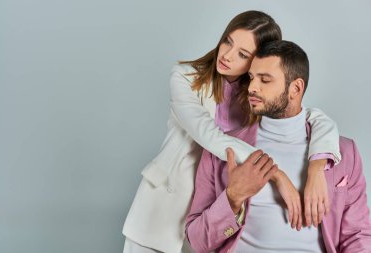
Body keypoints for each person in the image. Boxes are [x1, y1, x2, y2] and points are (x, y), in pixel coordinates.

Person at [123, 11, 341, 253]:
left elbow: (310, 116)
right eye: (228, 41)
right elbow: (209, 136)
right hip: (163, 210)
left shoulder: (256, 96)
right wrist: (276, 174)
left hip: (217, 215)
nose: (226, 55)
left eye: (243, 54)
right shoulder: (185, 77)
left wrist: (317, 167)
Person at [186, 40, 371, 253]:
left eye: (265, 80)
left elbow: (358, 236)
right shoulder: (221, 148)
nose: (252, 87)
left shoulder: (345, 153)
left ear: (296, 88)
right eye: (252, 78)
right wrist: (233, 198)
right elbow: (197, 242)